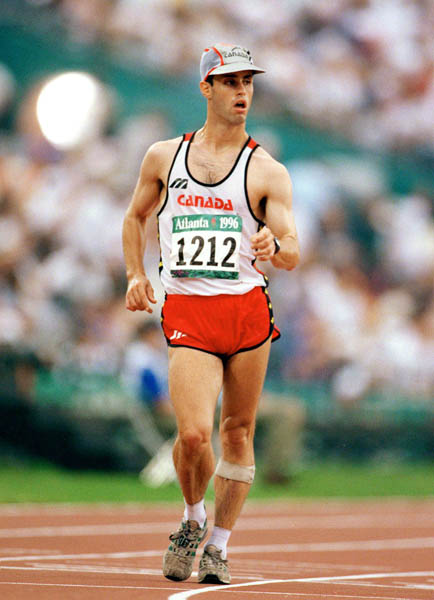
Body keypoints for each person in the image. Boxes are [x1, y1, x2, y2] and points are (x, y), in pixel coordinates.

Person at [122, 43, 299, 585]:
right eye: (230, 82)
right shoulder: (163, 157)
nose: (242, 91)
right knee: (196, 435)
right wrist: (135, 274)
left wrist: (275, 246)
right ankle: (192, 517)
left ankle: (219, 545)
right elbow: (135, 217)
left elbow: (292, 247)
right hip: (189, 310)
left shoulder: (267, 169)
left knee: (238, 432)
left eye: (248, 82)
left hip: (246, 312)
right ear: (206, 88)